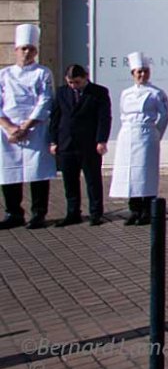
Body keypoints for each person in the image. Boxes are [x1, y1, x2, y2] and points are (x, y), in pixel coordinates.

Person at [0, 24, 55, 230]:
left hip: (34, 128)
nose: (26, 52)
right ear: (16, 50)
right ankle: (13, 213)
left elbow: (45, 100)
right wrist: (9, 127)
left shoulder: (43, 73)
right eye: (23, 48)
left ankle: (38, 214)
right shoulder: (4, 74)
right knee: (9, 172)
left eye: (30, 49)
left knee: (37, 172)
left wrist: (26, 126)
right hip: (8, 130)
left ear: (36, 51)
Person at [109, 52, 168, 226]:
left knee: (145, 173)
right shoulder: (126, 93)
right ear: (133, 74)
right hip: (128, 134)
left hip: (146, 135)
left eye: (145, 71)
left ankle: (147, 210)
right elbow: (122, 113)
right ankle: (134, 209)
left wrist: (157, 133)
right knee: (129, 174)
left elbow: (165, 114)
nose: (142, 74)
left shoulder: (156, 93)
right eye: (139, 72)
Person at [48, 64, 112, 227]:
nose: (73, 86)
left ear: (85, 77)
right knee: (70, 181)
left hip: (89, 143)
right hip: (66, 143)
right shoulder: (62, 92)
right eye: (70, 82)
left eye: (77, 82)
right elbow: (55, 117)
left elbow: (104, 118)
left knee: (92, 180)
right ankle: (73, 212)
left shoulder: (98, 92)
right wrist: (53, 141)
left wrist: (101, 140)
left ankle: (96, 213)